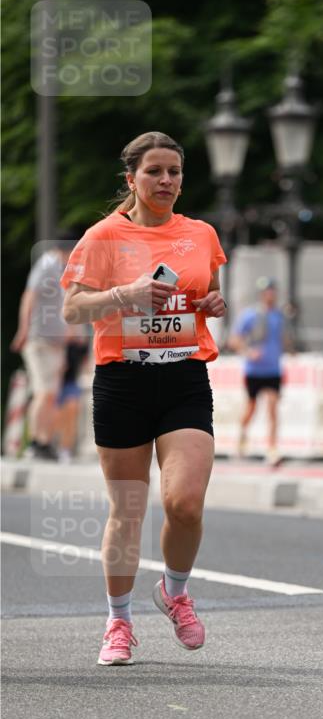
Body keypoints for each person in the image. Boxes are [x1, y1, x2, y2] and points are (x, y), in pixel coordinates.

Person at [61, 131, 227, 667]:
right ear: (130, 178)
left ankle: (175, 592)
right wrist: (124, 295)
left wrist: (212, 303)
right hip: (123, 383)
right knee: (128, 509)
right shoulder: (103, 237)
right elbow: (71, 309)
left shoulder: (200, 234)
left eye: (174, 172)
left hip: (183, 377)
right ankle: (118, 620)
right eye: (154, 172)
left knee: (185, 503)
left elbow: (206, 291)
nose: (166, 182)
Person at [10, 235, 73, 460]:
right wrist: (23, 329)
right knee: (43, 391)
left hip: (56, 342)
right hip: (39, 339)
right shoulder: (47, 265)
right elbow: (30, 296)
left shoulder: (63, 270)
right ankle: (35, 441)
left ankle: (45, 441)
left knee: (52, 395)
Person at [227, 277, 291, 468]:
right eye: (266, 291)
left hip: (273, 369)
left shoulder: (280, 316)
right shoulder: (250, 315)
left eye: (272, 291)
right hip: (254, 370)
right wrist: (248, 352)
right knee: (251, 407)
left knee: (273, 407)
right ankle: (242, 437)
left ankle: (272, 448)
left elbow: (285, 341)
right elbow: (234, 340)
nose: (270, 295)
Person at [54, 329, 91, 462]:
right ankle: (52, 445)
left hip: (71, 383)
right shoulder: (58, 342)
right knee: (57, 418)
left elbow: (85, 363)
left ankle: (65, 449)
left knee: (72, 411)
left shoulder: (80, 345)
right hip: (55, 384)